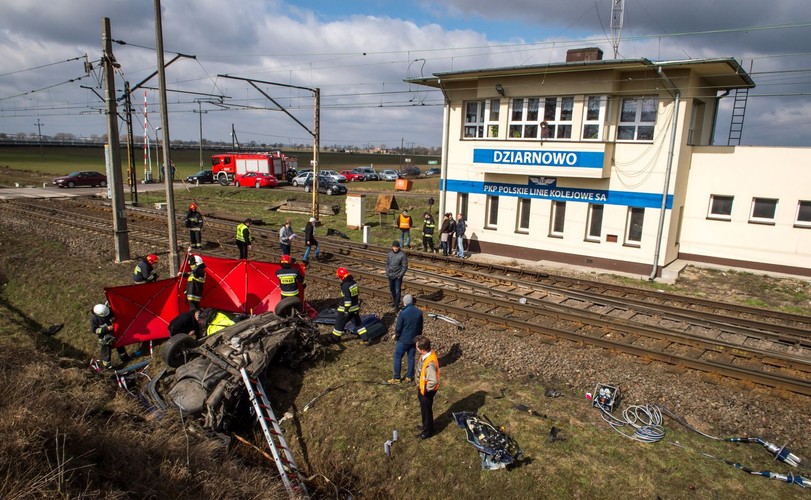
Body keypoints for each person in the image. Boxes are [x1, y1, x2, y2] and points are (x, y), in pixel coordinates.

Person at [388, 295, 423, 384]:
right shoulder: (419, 312)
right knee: (411, 357)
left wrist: (396, 335)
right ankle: (409, 377)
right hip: (414, 339)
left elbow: (399, 327)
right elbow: (420, 327)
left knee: (397, 357)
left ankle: (397, 378)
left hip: (403, 340)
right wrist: (417, 337)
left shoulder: (403, 313)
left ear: (405, 302)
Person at [331, 267, 368, 342]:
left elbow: (347, 299)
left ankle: (335, 339)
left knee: (339, 324)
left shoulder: (345, 285)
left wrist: (346, 311)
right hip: (355, 308)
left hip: (346, 309)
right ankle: (366, 339)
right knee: (358, 324)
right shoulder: (353, 282)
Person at [415, 335, 440, 440]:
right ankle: (426, 425)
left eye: (417, 347)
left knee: (426, 410)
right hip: (423, 389)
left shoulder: (430, 364)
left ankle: (427, 432)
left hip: (426, 391)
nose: (415, 348)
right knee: (424, 410)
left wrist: (425, 389)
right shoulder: (426, 355)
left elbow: (433, 381)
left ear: (422, 350)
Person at [91, 303, 129, 369]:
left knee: (120, 345)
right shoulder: (94, 319)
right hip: (105, 337)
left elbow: (112, 314)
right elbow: (95, 330)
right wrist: (106, 329)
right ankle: (108, 367)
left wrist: (113, 318)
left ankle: (125, 359)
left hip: (114, 333)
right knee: (106, 351)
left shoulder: (105, 309)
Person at [386, 240, 408, 311]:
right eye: (394, 247)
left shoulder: (402, 255)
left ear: (399, 247)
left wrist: (400, 275)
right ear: (392, 247)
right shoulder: (389, 254)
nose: (395, 248)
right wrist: (387, 272)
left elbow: (404, 267)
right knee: (392, 289)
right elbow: (387, 264)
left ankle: (396, 305)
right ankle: (395, 301)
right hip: (390, 275)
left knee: (397, 290)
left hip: (397, 276)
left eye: (397, 247)